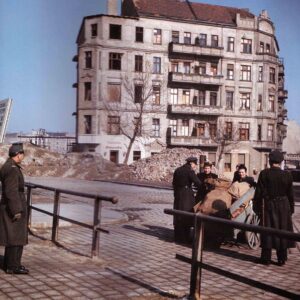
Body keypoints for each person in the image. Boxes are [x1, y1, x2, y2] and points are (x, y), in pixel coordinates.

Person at [253, 150, 295, 266]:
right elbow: (291, 194)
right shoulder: (287, 174)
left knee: (267, 230)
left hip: (269, 205)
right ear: (281, 161)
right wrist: (291, 209)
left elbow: (258, 193)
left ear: (269, 161)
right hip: (283, 206)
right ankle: (281, 258)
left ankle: (266, 258)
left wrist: (256, 208)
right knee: (282, 230)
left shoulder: (264, 173)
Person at [0, 143, 29, 274]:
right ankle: (13, 266)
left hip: (11, 205)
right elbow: (11, 191)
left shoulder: (8, 166)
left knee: (13, 236)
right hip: (14, 206)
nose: (23, 156)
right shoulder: (12, 168)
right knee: (15, 237)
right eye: (22, 154)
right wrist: (16, 210)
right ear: (18, 154)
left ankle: (10, 263)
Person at [172, 157, 202, 244]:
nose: (195, 167)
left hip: (178, 195)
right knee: (186, 216)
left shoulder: (177, 170)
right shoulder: (190, 171)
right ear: (192, 163)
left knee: (178, 215)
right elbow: (197, 183)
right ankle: (185, 238)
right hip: (186, 196)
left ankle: (177, 237)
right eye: (195, 165)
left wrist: (176, 194)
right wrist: (204, 188)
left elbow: (174, 183)